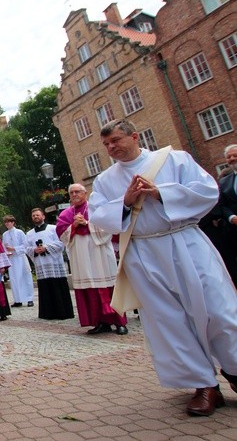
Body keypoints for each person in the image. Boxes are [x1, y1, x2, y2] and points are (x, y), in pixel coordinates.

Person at [89, 119, 237, 416]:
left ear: (135, 135)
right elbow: (98, 214)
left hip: (185, 242)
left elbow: (208, 191)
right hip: (143, 251)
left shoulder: (175, 159)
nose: (111, 148)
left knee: (218, 309)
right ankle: (204, 385)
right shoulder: (105, 180)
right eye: (106, 144)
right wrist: (126, 202)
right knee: (170, 320)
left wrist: (161, 192)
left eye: (116, 140)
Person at [56, 184, 127, 335]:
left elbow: (109, 227)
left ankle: (120, 322)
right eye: (72, 192)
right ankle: (101, 322)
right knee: (91, 289)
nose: (74, 194)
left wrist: (86, 223)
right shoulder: (66, 214)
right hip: (81, 255)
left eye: (77, 192)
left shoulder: (96, 208)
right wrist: (73, 225)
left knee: (110, 287)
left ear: (85, 193)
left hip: (99, 251)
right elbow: (62, 235)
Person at [25, 208, 74, 320]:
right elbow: (26, 248)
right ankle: (48, 313)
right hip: (41, 265)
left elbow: (61, 243)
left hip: (54, 263)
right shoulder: (29, 234)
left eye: (37, 215)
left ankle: (63, 312)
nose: (35, 217)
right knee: (45, 289)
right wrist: (34, 250)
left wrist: (46, 248)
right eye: (33, 216)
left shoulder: (53, 229)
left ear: (43, 216)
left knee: (58, 287)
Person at [211, 144, 237, 286]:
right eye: (229, 157)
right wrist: (232, 217)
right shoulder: (224, 182)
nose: (232, 159)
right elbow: (222, 205)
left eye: (234, 155)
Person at [2, 215, 34, 308]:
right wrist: (6, 252)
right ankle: (18, 300)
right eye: (6, 222)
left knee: (25, 277)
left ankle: (29, 299)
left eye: (9, 222)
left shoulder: (19, 232)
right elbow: (3, 246)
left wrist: (14, 249)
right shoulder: (5, 234)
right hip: (12, 259)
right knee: (14, 279)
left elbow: (25, 245)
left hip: (20, 258)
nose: (7, 223)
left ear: (13, 222)